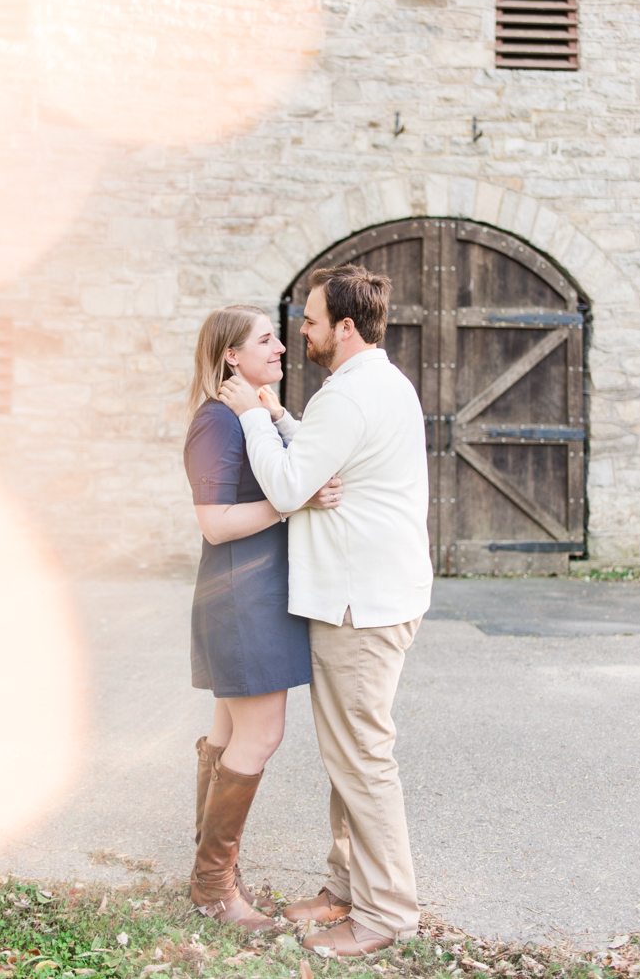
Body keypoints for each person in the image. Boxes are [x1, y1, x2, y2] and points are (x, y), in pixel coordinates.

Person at [218, 264, 433, 958]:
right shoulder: (377, 383)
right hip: (379, 594)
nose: (299, 332)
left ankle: (385, 912)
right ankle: (345, 885)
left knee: (363, 758)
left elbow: (286, 487)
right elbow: (323, 453)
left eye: (309, 321)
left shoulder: (348, 397)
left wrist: (252, 413)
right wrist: (282, 417)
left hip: (357, 605)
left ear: (344, 326)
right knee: (349, 753)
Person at [184, 304, 343, 934]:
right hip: (239, 597)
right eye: (265, 339)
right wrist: (292, 504)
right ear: (231, 356)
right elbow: (216, 523)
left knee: (229, 733)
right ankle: (214, 889)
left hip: (259, 592)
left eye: (280, 337)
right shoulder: (217, 424)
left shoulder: (250, 415)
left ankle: (211, 876)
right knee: (261, 735)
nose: (281, 347)